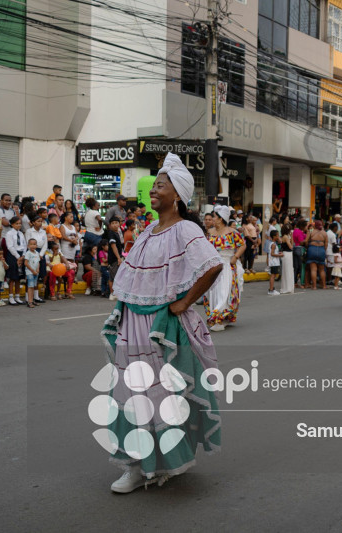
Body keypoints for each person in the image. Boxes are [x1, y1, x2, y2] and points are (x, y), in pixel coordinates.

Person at [100, 152, 223, 494]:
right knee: (130, 392)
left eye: (160, 185)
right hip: (133, 326)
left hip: (161, 328)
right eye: (153, 185)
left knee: (158, 396)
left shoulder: (185, 230)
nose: (153, 191)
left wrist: (184, 302)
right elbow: (132, 281)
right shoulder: (148, 231)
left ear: (178, 195)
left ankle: (159, 463)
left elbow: (213, 265)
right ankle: (136, 465)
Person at [204, 205, 246, 331]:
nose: (213, 219)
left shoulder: (232, 232)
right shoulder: (210, 233)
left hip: (226, 266)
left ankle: (220, 318)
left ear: (221, 219)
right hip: (213, 266)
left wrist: (236, 256)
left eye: (215, 217)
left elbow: (242, 245)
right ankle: (216, 317)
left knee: (224, 292)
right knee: (213, 292)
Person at [5, 216, 26, 306]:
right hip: (13, 255)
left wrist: (23, 256)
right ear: (12, 224)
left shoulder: (21, 234)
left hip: (21, 254)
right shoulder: (9, 234)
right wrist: (18, 257)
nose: (19, 225)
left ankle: (17, 296)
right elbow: (10, 246)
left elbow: (24, 245)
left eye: (20, 223)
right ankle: (11, 297)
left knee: (19, 277)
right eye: (16, 223)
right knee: (13, 277)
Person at [305, 220, 328, 290]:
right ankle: (324, 285)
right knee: (321, 269)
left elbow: (306, 241)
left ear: (315, 225)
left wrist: (307, 247)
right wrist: (324, 251)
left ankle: (314, 286)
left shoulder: (311, 231)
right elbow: (326, 245)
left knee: (313, 269)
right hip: (321, 250)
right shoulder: (324, 233)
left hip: (312, 249)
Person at [105, 217, 123, 301]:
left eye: (116, 222)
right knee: (114, 276)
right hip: (114, 258)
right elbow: (113, 245)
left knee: (115, 276)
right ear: (110, 225)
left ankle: (115, 293)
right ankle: (112, 293)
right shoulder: (111, 233)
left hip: (118, 256)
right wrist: (118, 258)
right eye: (113, 223)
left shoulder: (118, 232)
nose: (115, 224)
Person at [23, 239, 42, 308]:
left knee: (33, 286)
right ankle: (29, 302)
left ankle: (32, 300)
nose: (33, 246)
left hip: (35, 272)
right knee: (30, 287)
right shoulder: (28, 253)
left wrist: (37, 269)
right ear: (28, 246)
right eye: (31, 244)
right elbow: (26, 263)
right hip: (30, 272)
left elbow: (38, 262)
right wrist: (32, 270)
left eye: (34, 244)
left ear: (36, 245)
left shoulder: (36, 253)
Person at [279, 224, 295, 294]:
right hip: (287, 254)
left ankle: (287, 287)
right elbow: (291, 246)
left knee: (287, 270)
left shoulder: (285, 236)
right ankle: (288, 287)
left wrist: (291, 237)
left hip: (287, 254)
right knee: (288, 271)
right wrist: (291, 237)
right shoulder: (286, 237)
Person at [267, 230, 282, 296]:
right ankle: (271, 290)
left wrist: (278, 253)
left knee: (273, 275)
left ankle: (272, 289)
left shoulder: (273, 243)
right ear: (274, 236)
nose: (278, 236)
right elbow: (272, 254)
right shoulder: (273, 244)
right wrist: (279, 255)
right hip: (274, 262)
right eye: (277, 235)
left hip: (274, 262)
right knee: (273, 276)